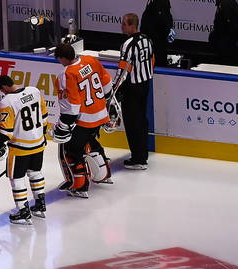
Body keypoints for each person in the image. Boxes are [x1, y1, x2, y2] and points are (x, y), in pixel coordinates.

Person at [53, 39, 114, 199]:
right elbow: (107, 82)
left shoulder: (67, 74)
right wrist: (108, 103)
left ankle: (80, 186)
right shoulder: (90, 59)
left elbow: (72, 105)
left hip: (85, 119)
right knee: (90, 142)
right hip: (100, 114)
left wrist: (65, 123)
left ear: (63, 58)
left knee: (72, 150)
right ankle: (103, 174)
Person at [0, 74, 49, 223]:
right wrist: (42, 134)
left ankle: (23, 211)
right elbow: (44, 116)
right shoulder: (34, 91)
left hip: (20, 147)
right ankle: (40, 204)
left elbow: (6, 131)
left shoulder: (7, 101)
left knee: (16, 178)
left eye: (2, 91)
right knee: (35, 173)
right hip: (38, 142)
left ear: (4, 88)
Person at [117, 13, 155, 170]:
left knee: (133, 122)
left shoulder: (128, 44)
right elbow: (152, 60)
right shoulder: (147, 39)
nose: (122, 26)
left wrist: (115, 87)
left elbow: (124, 69)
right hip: (145, 84)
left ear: (132, 26)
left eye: (124, 24)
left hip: (132, 87)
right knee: (141, 120)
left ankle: (138, 159)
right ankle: (142, 155)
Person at [140, 0, 173, 68]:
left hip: (157, 43)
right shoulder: (151, 2)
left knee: (158, 64)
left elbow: (164, 19)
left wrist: (168, 29)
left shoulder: (161, 2)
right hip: (150, 41)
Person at [209, 0, 238, 64]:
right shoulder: (224, 3)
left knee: (226, 62)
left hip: (226, 42)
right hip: (224, 41)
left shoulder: (226, 4)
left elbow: (232, 23)